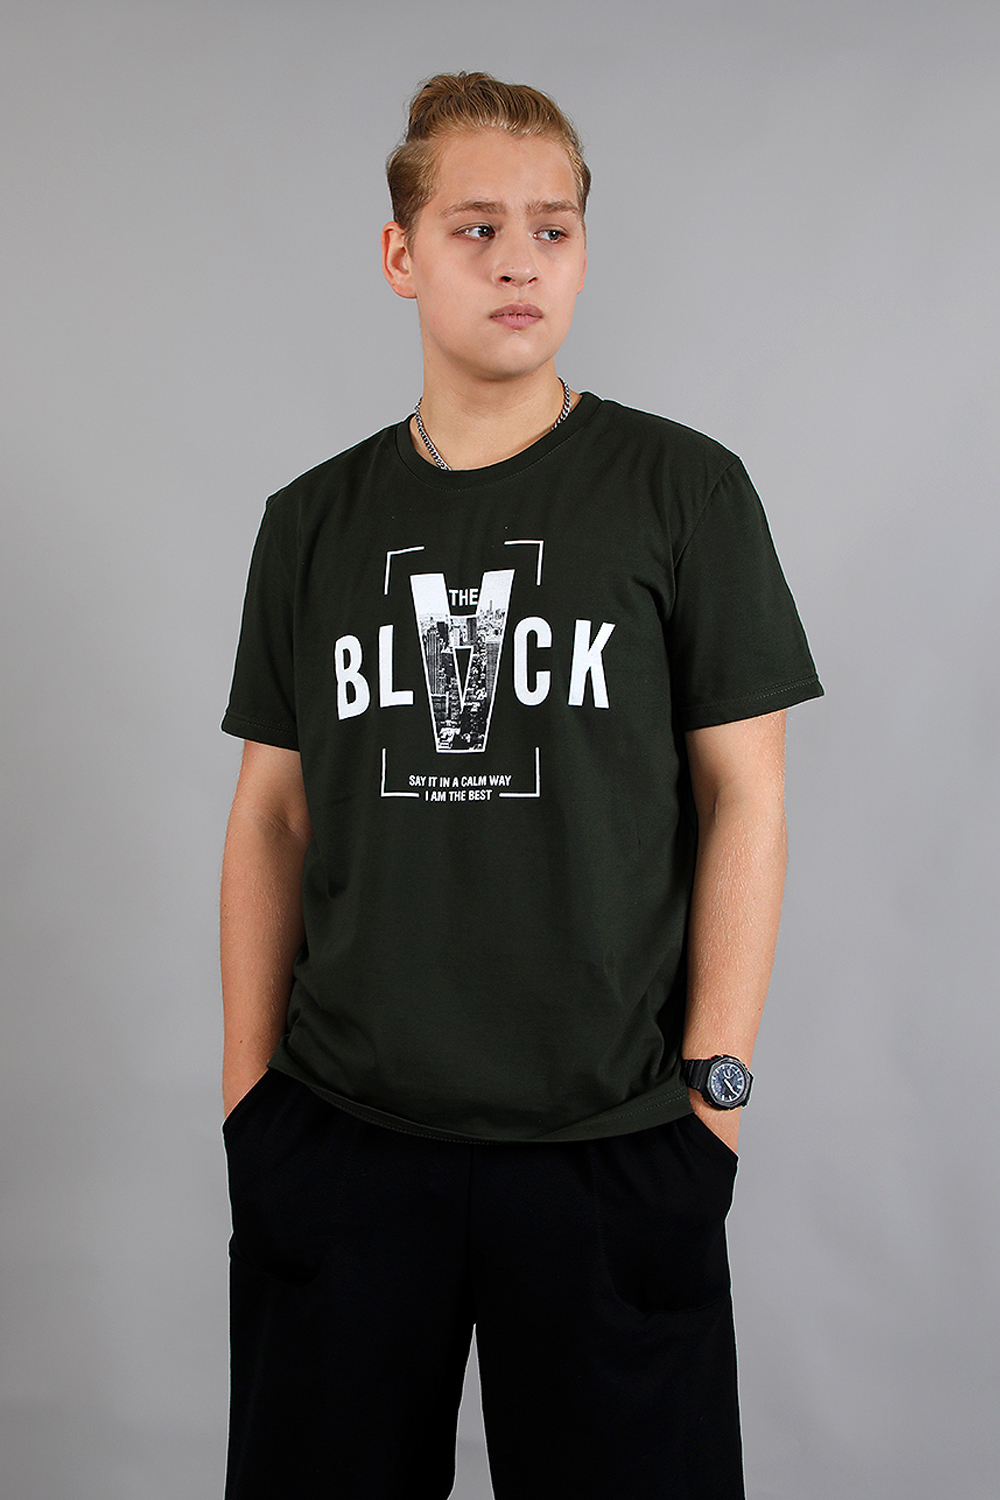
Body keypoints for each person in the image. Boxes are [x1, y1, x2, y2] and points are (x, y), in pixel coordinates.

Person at [219, 71, 822, 1500]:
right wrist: (251, 1104)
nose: (518, 262)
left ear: (585, 254)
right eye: (476, 227)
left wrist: (715, 1098)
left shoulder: (684, 491)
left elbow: (748, 798)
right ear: (401, 254)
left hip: (615, 1142)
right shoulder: (310, 523)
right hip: (346, 1136)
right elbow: (272, 816)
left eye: (553, 229)